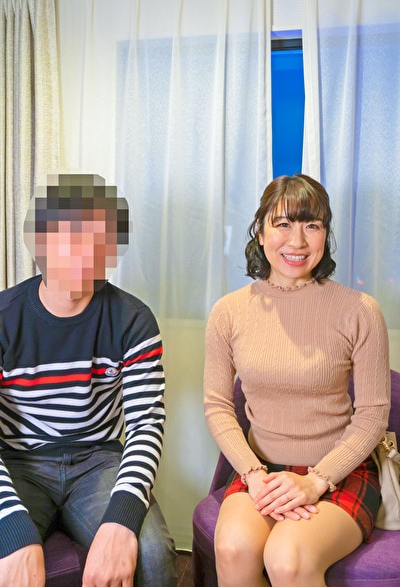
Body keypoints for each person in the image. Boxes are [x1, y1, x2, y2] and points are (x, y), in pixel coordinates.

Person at [204, 174, 390, 587]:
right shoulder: (228, 312)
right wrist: (253, 474)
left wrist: (316, 480)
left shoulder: (360, 310)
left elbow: (373, 415)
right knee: (233, 548)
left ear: (326, 234)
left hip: (339, 470)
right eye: (283, 224)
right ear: (260, 231)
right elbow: (217, 405)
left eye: (312, 225)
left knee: (287, 557)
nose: (298, 241)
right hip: (261, 470)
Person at [0, 174, 177, 587]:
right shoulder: (5, 318)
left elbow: (146, 424)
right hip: (18, 462)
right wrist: (12, 526)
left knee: (153, 554)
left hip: (98, 460)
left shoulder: (133, 319)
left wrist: (122, 519)